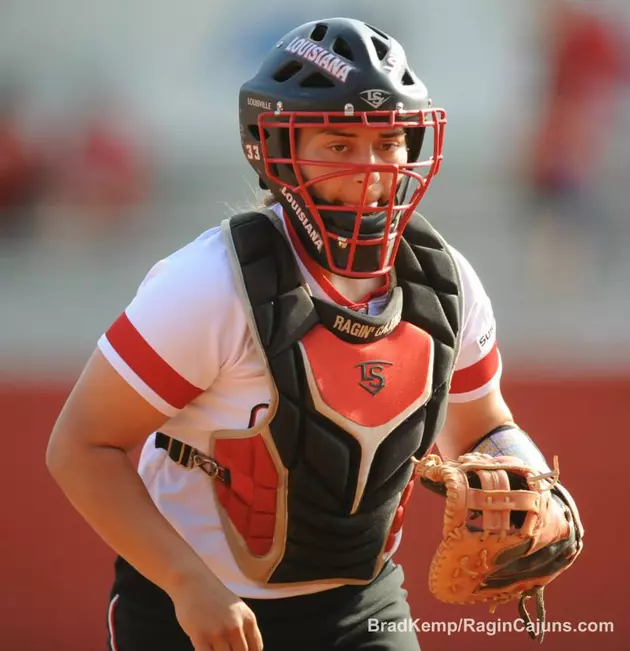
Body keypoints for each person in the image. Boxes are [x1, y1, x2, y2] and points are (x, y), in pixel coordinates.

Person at [46, 17, 581, 651]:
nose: (372, 168)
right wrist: (186, 583)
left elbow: (484, 422)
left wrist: (519, 469)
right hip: (192, 605)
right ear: (274, 147)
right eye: (337, 144)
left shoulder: (445, 284)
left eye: (389, 143)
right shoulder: (211, 284)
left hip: (363, 609)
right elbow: (81, 447)